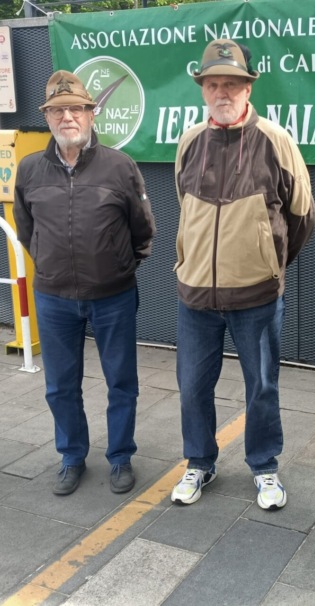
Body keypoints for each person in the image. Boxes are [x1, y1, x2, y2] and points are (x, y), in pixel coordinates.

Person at [171, 39, 314, 509]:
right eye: (213, 84)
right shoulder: (189, 142)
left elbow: (301, 215)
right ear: (202, 90)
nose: (222, 93)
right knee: (192, 388)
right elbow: (184, 208)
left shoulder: (275, 140)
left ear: (248, 88)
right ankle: (199, 462)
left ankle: (264, 466)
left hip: (256, 298)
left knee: (262, 388)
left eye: (231, 84)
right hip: (195, 298)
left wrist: (266, 263)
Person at [13, 71, 156, 496]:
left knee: (121, 382)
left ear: (92, 114)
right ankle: (72, 456)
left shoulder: (120, 166)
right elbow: (26, 229)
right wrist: (51, 263)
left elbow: (143, 229)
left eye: (76, 108)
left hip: (113, 296)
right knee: (60, 386)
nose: (68, 117)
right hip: (54, 297)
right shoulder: (30, 169)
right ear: (47, 118)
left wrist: (119, 266)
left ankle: (120, 456)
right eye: (58, 111)